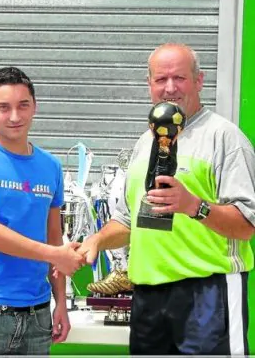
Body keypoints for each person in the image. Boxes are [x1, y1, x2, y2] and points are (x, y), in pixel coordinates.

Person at [77, 43, 255, 355]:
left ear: (199, 81)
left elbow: (248, 225)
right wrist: (97, 240)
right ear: (149, 85)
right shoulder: (145, 142)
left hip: (207, 294)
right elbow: (129, 219)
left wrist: (194, 206)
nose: (169, 88)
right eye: (161, 79)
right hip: (148, 296)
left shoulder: (225, 138)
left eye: (179, 78)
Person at [0, 66, 84, 355]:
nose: (15, 117)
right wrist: (56, 255)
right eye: (4, 107)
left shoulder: (50, 166)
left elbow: (54, 236)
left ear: (34, 107)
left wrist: (60, 302)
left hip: (37, 314)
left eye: (23, 105)